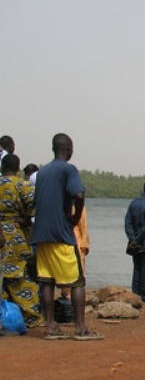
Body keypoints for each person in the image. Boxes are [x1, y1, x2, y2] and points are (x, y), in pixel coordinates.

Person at [31, 133, 102, 340]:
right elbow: (79, 194)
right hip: (61, 233)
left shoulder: (42, 172)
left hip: (41, 234)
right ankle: (80, 329)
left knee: (47, 281)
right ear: (69, 149)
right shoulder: (68, 169)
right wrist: (75, 217)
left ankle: (50, 326)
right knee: (77, 282)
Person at [0, 154, 43, 328]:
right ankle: (30, 317)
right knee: (20, 278)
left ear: (2, 167)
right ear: (18, 169)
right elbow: (36, 212)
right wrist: (25, 221)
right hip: (17, 237)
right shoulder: (24, 186)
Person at [124, 180, 145, 302]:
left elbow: (127, 222)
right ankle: (143, 297)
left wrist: (132, 239)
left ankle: (135, 296)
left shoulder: (134, 202)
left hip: (135, 244)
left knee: (137, 269)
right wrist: (138, 239)